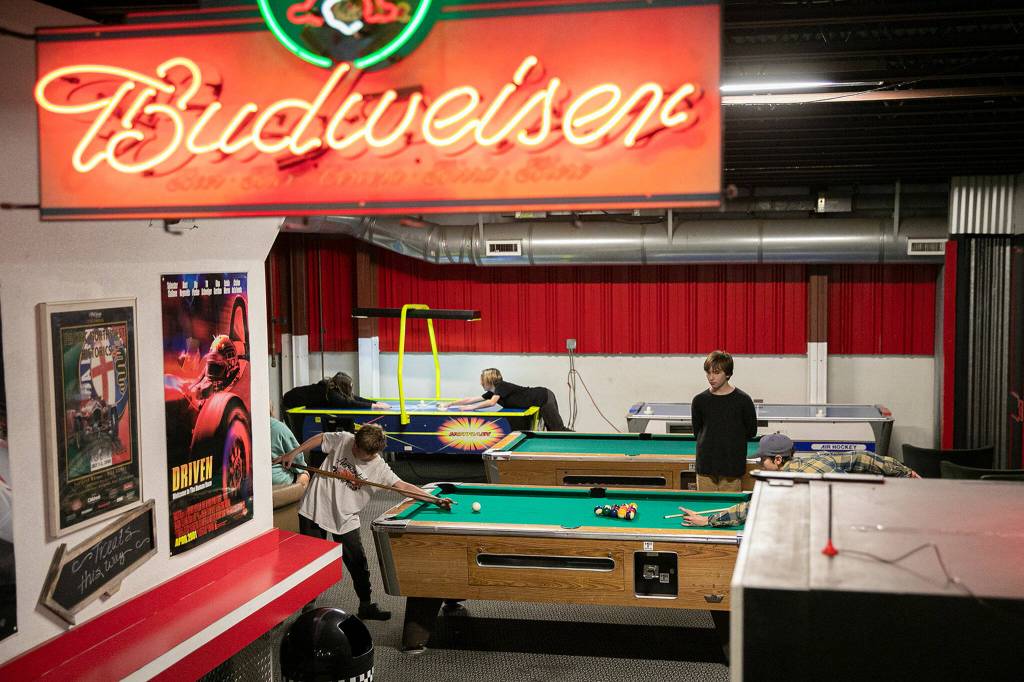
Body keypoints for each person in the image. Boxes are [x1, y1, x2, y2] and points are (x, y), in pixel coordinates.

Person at [275, 424, 451, 621]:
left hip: (345, 518)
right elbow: (322, 437)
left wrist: (434, 499)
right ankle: (308, 606)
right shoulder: (346, 439)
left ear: (373, 453)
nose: (354, 449)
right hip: (315, 508)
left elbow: (403, 486)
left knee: (358, 563)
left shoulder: (379, 469)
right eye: (355, 445)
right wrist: (293, 453)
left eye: (359, 450)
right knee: (310, 561)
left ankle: (365, 605)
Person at [678, 433, 920, 527]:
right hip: (875, 516)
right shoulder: (820, 459)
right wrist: (904, 471)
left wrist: (708, 519)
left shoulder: (788, 482)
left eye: (764, 459)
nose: (761, 464)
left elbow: (748, 510)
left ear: (779, 461)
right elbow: (863, 458)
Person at [691, 350, 757, 492]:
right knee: (704, 508)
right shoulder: (699, 400)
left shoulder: (743, 400)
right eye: (708, 372)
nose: (711, 377)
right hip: (705, 466)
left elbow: (751, 431)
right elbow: (697, 432)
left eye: (716, 372)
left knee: (730, 511)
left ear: (727, 373)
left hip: (732, 467)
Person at [447, 368, 569, 431]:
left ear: (488, 380)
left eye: (482, 380)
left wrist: (471, 408)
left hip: (542, 397)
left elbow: (491, 403)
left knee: (557, 429)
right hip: (542, 396)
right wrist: (450, 404)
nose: (480, 383)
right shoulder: (493, 392)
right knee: (552, 429)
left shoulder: (501, 386)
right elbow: (471, 399)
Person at [281, 372, 388, 439]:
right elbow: (349, 403)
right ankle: (298, 460)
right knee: (297, 436)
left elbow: (352, 397)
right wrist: (372, 406)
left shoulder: (333, 388)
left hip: (295, 400)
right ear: (342, 386)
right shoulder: (331, 393)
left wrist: (374, 403)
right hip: (291, 404)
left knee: (300, 434)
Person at [270, 409, 309, 488]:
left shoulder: (245, 423)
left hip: (248, 481)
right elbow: (298, 461)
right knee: (305, 476)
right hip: (276, 479)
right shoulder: (278, 427)